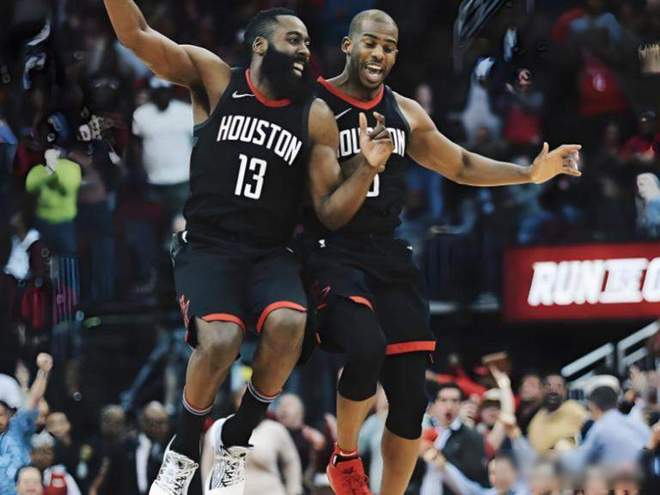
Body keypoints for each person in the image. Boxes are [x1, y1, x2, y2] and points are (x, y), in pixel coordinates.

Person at [102, 3, 394, 494]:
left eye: (307, 43)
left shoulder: (314, 115)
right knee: (220, 341)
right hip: (208, 248)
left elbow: (329, 211)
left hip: (269, 252)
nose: (304, 51)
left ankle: (235, 440)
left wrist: (366, 168)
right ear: (260, 44)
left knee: (290, 323)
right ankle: (184, 450)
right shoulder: (215, 78)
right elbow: (136, 34)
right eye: (293, 39)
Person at [302, 9, 581, 494]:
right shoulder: (314, 105)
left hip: (388, 253)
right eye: (370, 43)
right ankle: (345, 457)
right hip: (332, 249)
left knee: (411, 400)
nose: (379, 54)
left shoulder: (405, 112)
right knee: (366, 346)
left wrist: (529, 173)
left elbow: (461, 164)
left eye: (389, 47)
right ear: (347, 46)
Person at [560, 385, 651, 474]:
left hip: (623, 478)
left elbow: (578, 461)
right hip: (647, 476)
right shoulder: (638, 424)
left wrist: (561, 452)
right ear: (616, 403)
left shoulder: (601, 426)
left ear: (593, 407)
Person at [0, 353, 53, 495]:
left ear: (8, 415)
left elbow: (33, 401)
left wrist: (43, 372)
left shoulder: (17, 428)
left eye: (0, 415)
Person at [527, 374, 588, 454]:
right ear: (542, 390)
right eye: (548, 385)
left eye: (559, 386)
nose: (553, 389)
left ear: (565, 391)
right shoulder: (536, 420)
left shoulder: (573, 408)